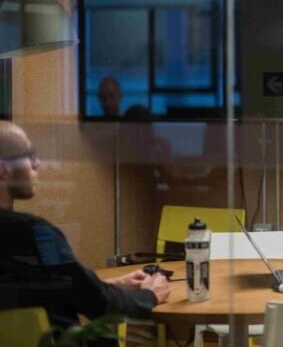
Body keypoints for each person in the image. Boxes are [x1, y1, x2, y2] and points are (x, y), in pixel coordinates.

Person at [0, 121, 170, 344]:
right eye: (28, 155)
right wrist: (149, 294)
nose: (37, 163)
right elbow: (99, 305)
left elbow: (38, 289)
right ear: (3, 168)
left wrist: (107, 284)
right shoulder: (36, 234)